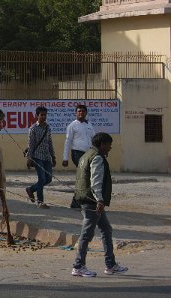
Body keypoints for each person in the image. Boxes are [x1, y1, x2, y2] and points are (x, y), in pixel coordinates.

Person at [70, 132, 128, 277]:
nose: (110, 148)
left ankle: (111, 265)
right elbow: (96, 181)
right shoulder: (97, 158)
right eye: (109, 145)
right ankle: (78, 266)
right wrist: (100, 200)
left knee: (106, 230)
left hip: (87, 199)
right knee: (86, 235)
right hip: (92, 201)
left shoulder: (86, 155)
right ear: (102, 144)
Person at [24, 106, 56, 208]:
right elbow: (31, 144)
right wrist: (29, 158)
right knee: (42, 179)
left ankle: (31, 189)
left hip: (47, 157)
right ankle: (40, 202)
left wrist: (53, 156)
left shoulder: (48, 127)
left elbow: (50, 142)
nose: (43, 117)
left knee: (49, 178)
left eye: (45, 115)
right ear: (37, 116)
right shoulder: (33, 128)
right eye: (41, 115)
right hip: (37, 157)